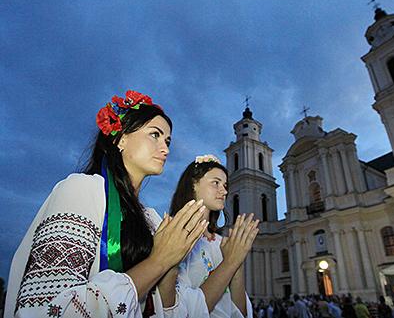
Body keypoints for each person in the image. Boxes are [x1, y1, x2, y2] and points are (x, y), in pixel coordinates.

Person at [5, 90, 208, 317]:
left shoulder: (151, 219)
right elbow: (48, 309)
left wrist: (173, 261)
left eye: (167, 140)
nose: (166, 149)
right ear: (121, 139)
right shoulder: (81, 191)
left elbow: (163, 310)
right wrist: (158, 261)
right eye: (155, 135)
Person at [169, 155, 259, 317]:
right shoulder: (174, 237)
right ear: (193, 184)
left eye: (225, 185)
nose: (224, 191)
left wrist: (237, 261)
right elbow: (184, 311)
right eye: (215, 183)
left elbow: (240, 313)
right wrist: (230, 261)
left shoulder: (222, 242)